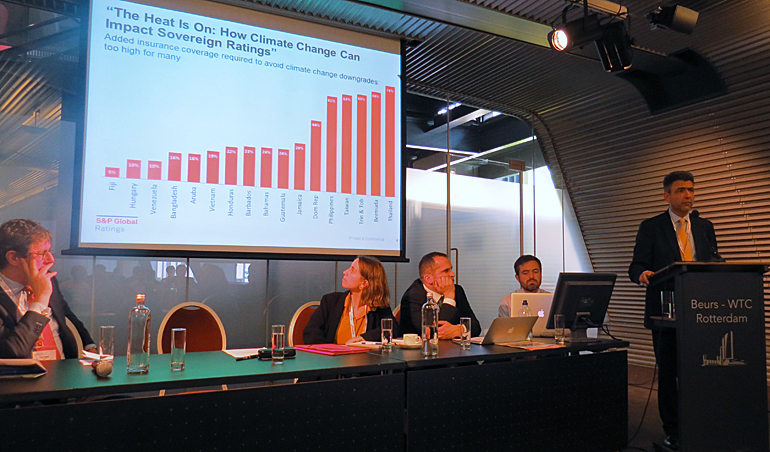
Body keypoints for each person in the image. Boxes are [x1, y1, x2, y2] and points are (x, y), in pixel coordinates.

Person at [628, 171, 719, 450]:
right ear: (667, 195)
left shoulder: (704, 226)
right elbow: (636, 265)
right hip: (665, 312)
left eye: (691, 189)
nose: (688, 195)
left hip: (700, 311)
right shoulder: (651, 227)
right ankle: (673, 431)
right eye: (681, 190)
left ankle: (701, 424)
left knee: (700, 372)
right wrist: (643, 274)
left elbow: (713, 261)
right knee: (669, 374)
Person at [0, 219, 95, 359]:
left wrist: (89, 344)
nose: (51, 260)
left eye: (49, 251)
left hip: (63, 368)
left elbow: (65, 314)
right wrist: (40, 300)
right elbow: (12, 352)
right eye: (42, 253)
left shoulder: (47, 280)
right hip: (21, 372)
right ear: (14, 258)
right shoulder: (42, 286)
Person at [303, 256, 397, 345]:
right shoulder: (330, 301)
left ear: (364, 283)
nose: (345, 272)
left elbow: (394, 329)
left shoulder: (378, 306)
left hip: (365, 357)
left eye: (352, 270)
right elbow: (311, 333)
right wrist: (331, 350)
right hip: (334, 356)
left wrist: (362, 338)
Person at [399, 252, 481, 339]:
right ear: (429, 278)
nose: (453, 274)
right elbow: (435, 332)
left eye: (451, 269)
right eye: (446, 271)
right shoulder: (412, 296)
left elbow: (475, 327)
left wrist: (459, 330)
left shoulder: (457, 290)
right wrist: (449, 296)